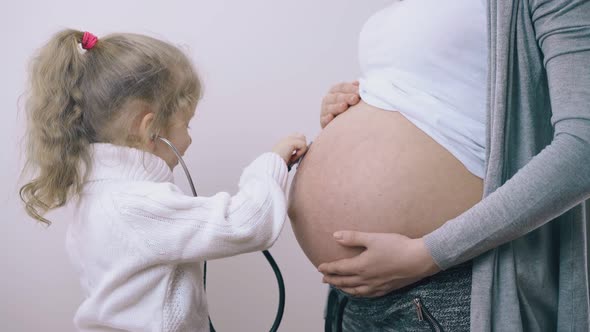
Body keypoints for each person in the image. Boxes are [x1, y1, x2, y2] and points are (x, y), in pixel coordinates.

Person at [288, 0, 590, 331]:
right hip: (352, 297)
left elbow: (582, 149)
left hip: (449, 281)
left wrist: (427, 254)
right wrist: (350, 105)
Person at [19, 29, 307, 331]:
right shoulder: (135, 205)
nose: (189, 139)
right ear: (148, 128)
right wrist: (271, 163)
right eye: (187, 124)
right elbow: (249, 223)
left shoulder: (95, 197)